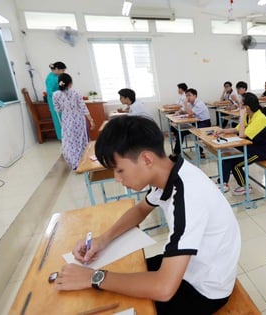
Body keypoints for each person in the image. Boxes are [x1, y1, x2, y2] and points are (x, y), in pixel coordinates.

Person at [55, 116, 241, 315]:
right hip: (188, 268)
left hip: (203, 289)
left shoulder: (188, 197)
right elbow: (140, 210)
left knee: (107, 300)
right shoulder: (170, 172)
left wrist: (92, 277)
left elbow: (164, 288)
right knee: (115, 277)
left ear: (146, 159)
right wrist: (102, 240)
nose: (117, 179)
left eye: (119, 170)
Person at [214, 93, 266, 194]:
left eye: (242, 103)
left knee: (236, 165)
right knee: (227, 154)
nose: (240, 104)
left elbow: (242, 135)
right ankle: (223, 183)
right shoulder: (249, 114)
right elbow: (237, 129)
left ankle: (246, 187)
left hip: (261, 151)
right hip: (251, 145)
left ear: (247, 107)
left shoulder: (259, 118)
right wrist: (222, 131)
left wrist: (241, 116)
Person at [52, 73, 95, 170]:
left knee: (70, 142)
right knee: (81, 141)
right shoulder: (76, 93)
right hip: (78, 120)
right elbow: (83, 108)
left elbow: (57, 109)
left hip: (67, 120)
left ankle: (75, 164)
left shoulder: (55, 95)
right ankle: (83, 162)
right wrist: (91, 120)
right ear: (70, 83)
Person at [172, 88, 212, 158]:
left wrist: (185, 104)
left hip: (204, 123)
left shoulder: (199, 103)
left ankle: (201, 152)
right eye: (186, 96)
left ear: (195, 96)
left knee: (197, 134)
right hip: (195, 122)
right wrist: (178, 112)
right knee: (180, 132)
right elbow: (183, 109)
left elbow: (190, 113)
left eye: (189, 95)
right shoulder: (190, 103)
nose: (187, 98)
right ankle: (176, 153)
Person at [45, 61, 66, 140]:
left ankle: (67, 137)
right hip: (54, 102)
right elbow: (49, 92)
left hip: (61, 100)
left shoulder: (58, 77)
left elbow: (61, 86)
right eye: (62, 70)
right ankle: (62, 138)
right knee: (58, 120)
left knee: (63, 119)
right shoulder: (50, 78)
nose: (63, 72)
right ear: (57, 69)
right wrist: (59, 94)